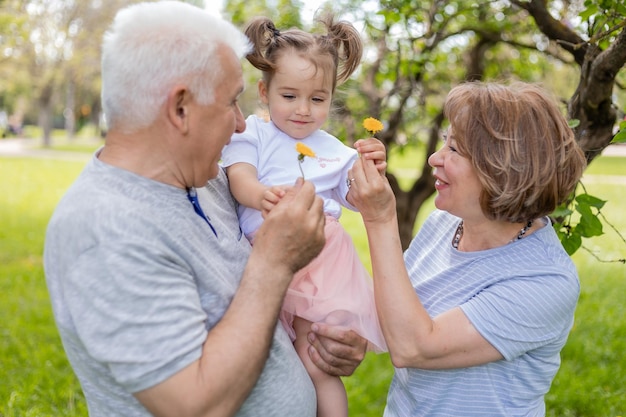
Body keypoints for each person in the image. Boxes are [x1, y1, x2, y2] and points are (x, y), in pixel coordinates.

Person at [43, 2, 368, 416]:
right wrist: (274, 262)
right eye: (231, 102)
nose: (240, 124)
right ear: (180, 109)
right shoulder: (104, 230)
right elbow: (193, 406)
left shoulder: (211, 178)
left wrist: (327, 340)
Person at [347, 81, 587, 416]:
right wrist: (354, 336)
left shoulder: (546, 281)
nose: (434, 157)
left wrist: (380, 219)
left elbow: (416, 347)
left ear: (504, 170)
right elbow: (397, 308)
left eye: (455, 150)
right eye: (444, 142)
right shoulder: (443, 225)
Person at [220, 15, 387, 417]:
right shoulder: (251, 134)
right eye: (290, 96)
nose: (303, 110)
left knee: (315, 361)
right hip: (265, 252)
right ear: (265, 90)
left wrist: (367, 173)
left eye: (317, 99)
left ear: (331, 98)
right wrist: (263, 195)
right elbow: (241, 179)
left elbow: (352, 195)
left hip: (318, 259)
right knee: (265, 354)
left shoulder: (333, 148)